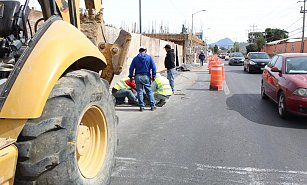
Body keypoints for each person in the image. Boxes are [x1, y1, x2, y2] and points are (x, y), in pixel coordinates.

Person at [129, 47, 157, 111]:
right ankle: (152, 106)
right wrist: (153, 75)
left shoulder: (135, 58)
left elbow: (131, 68)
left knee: (140, 92)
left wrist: (131, 76)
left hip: (138, 77)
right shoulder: (149, 58)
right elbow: (154, 67)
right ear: (145, 50)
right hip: (146, 76)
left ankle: (141, 106)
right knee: (149, 91)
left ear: (139, 51)